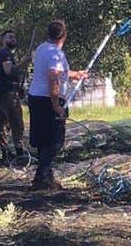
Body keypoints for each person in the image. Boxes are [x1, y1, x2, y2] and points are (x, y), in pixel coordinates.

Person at [27, 19, 88, 191]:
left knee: (43, 139)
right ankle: (41, 177)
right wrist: (56, 105)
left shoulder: (41, 48)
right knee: (55, 140)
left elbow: (57, 71)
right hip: (48, 100)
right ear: (64, 35)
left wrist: (75, 74)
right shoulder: (56, 53)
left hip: (35, 97)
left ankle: (46, 175)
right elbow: (53, 76)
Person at [0, 29, 31, 160]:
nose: (13, 39)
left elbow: (11, 75)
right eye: (10, 37)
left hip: (5, 92)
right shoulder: (5, 53)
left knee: (3, 122)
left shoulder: (7, 54)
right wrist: (23, 62)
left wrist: (18, 88)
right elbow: (8, 71)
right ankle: (19, 153)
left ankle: (5, 152)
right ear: (3, 40)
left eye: (14, 37)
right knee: (16, 122)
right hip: (7, 93)